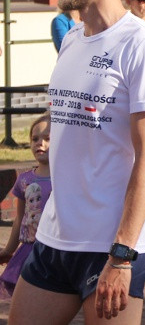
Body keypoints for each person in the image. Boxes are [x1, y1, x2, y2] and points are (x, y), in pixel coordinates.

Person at [10, 0, 145, 323]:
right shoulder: (71, 41)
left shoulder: (141, 45)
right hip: (54, 238)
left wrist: (121, 254)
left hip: (111, 246)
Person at [0, 113, 52, 299]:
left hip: (55, 252)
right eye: (35, 139)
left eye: (47, 139)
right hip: (29, 251)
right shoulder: (24, 180)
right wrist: (9, 250)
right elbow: (19, 219)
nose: (40, 143)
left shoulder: (66, 179)